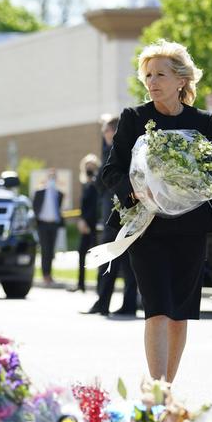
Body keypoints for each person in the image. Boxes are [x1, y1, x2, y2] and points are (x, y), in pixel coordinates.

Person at [102, 39, 212, 382]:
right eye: (148, 75)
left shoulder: (203, 122)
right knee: (158, 309)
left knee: (181, 313)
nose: (152, 81)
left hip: (190, 232)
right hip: (148, 230)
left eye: (160, 74)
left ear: (181, 80)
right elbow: (111, 172)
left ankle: (168, 386)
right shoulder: (135, 118)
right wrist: (135, 189)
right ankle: (157, 393)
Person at [84, 116, 139, 316]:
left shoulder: (113, 151)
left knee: (110, 258)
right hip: (125, 213)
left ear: (112, 132)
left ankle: (104, 302)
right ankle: (127, 304)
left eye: (106, 131)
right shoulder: (127, 151)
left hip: (115, 214)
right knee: (126, 261)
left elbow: (101, 182)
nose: (104, 135)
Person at [69, 153, 100, 292]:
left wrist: (86, 222)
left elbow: (94, 206)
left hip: (93, 225)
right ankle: (81, 284)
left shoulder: (95, 184)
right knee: (81, 253)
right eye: (87, 166)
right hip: (85, 224)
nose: (89, 168)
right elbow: (83, 206)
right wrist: (81, 221)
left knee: (99, 255)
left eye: (92, 166)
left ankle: (101, 286)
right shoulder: (85, 185)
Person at [32, 168, 64, 287]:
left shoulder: (59, 194)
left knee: (51, 251)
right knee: (45, 250)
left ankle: (49, 274)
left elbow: (59, 210)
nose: (52, 180)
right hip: (42, 225)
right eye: (50, 177)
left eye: (53, 177)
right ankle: (45, 275)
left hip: (54, 224)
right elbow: (35, 208)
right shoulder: (39, 192)